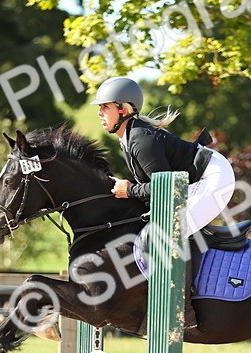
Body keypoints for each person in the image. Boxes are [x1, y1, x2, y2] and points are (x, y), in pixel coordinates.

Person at [93, 76, 236, 237]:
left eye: (105, 107)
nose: (99, 113)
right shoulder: (128, 137)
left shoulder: (140, 138)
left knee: (169, 235)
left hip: (213, 177)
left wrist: (130, 190)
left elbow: (166, 187)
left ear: (123, 110)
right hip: (193, 179)